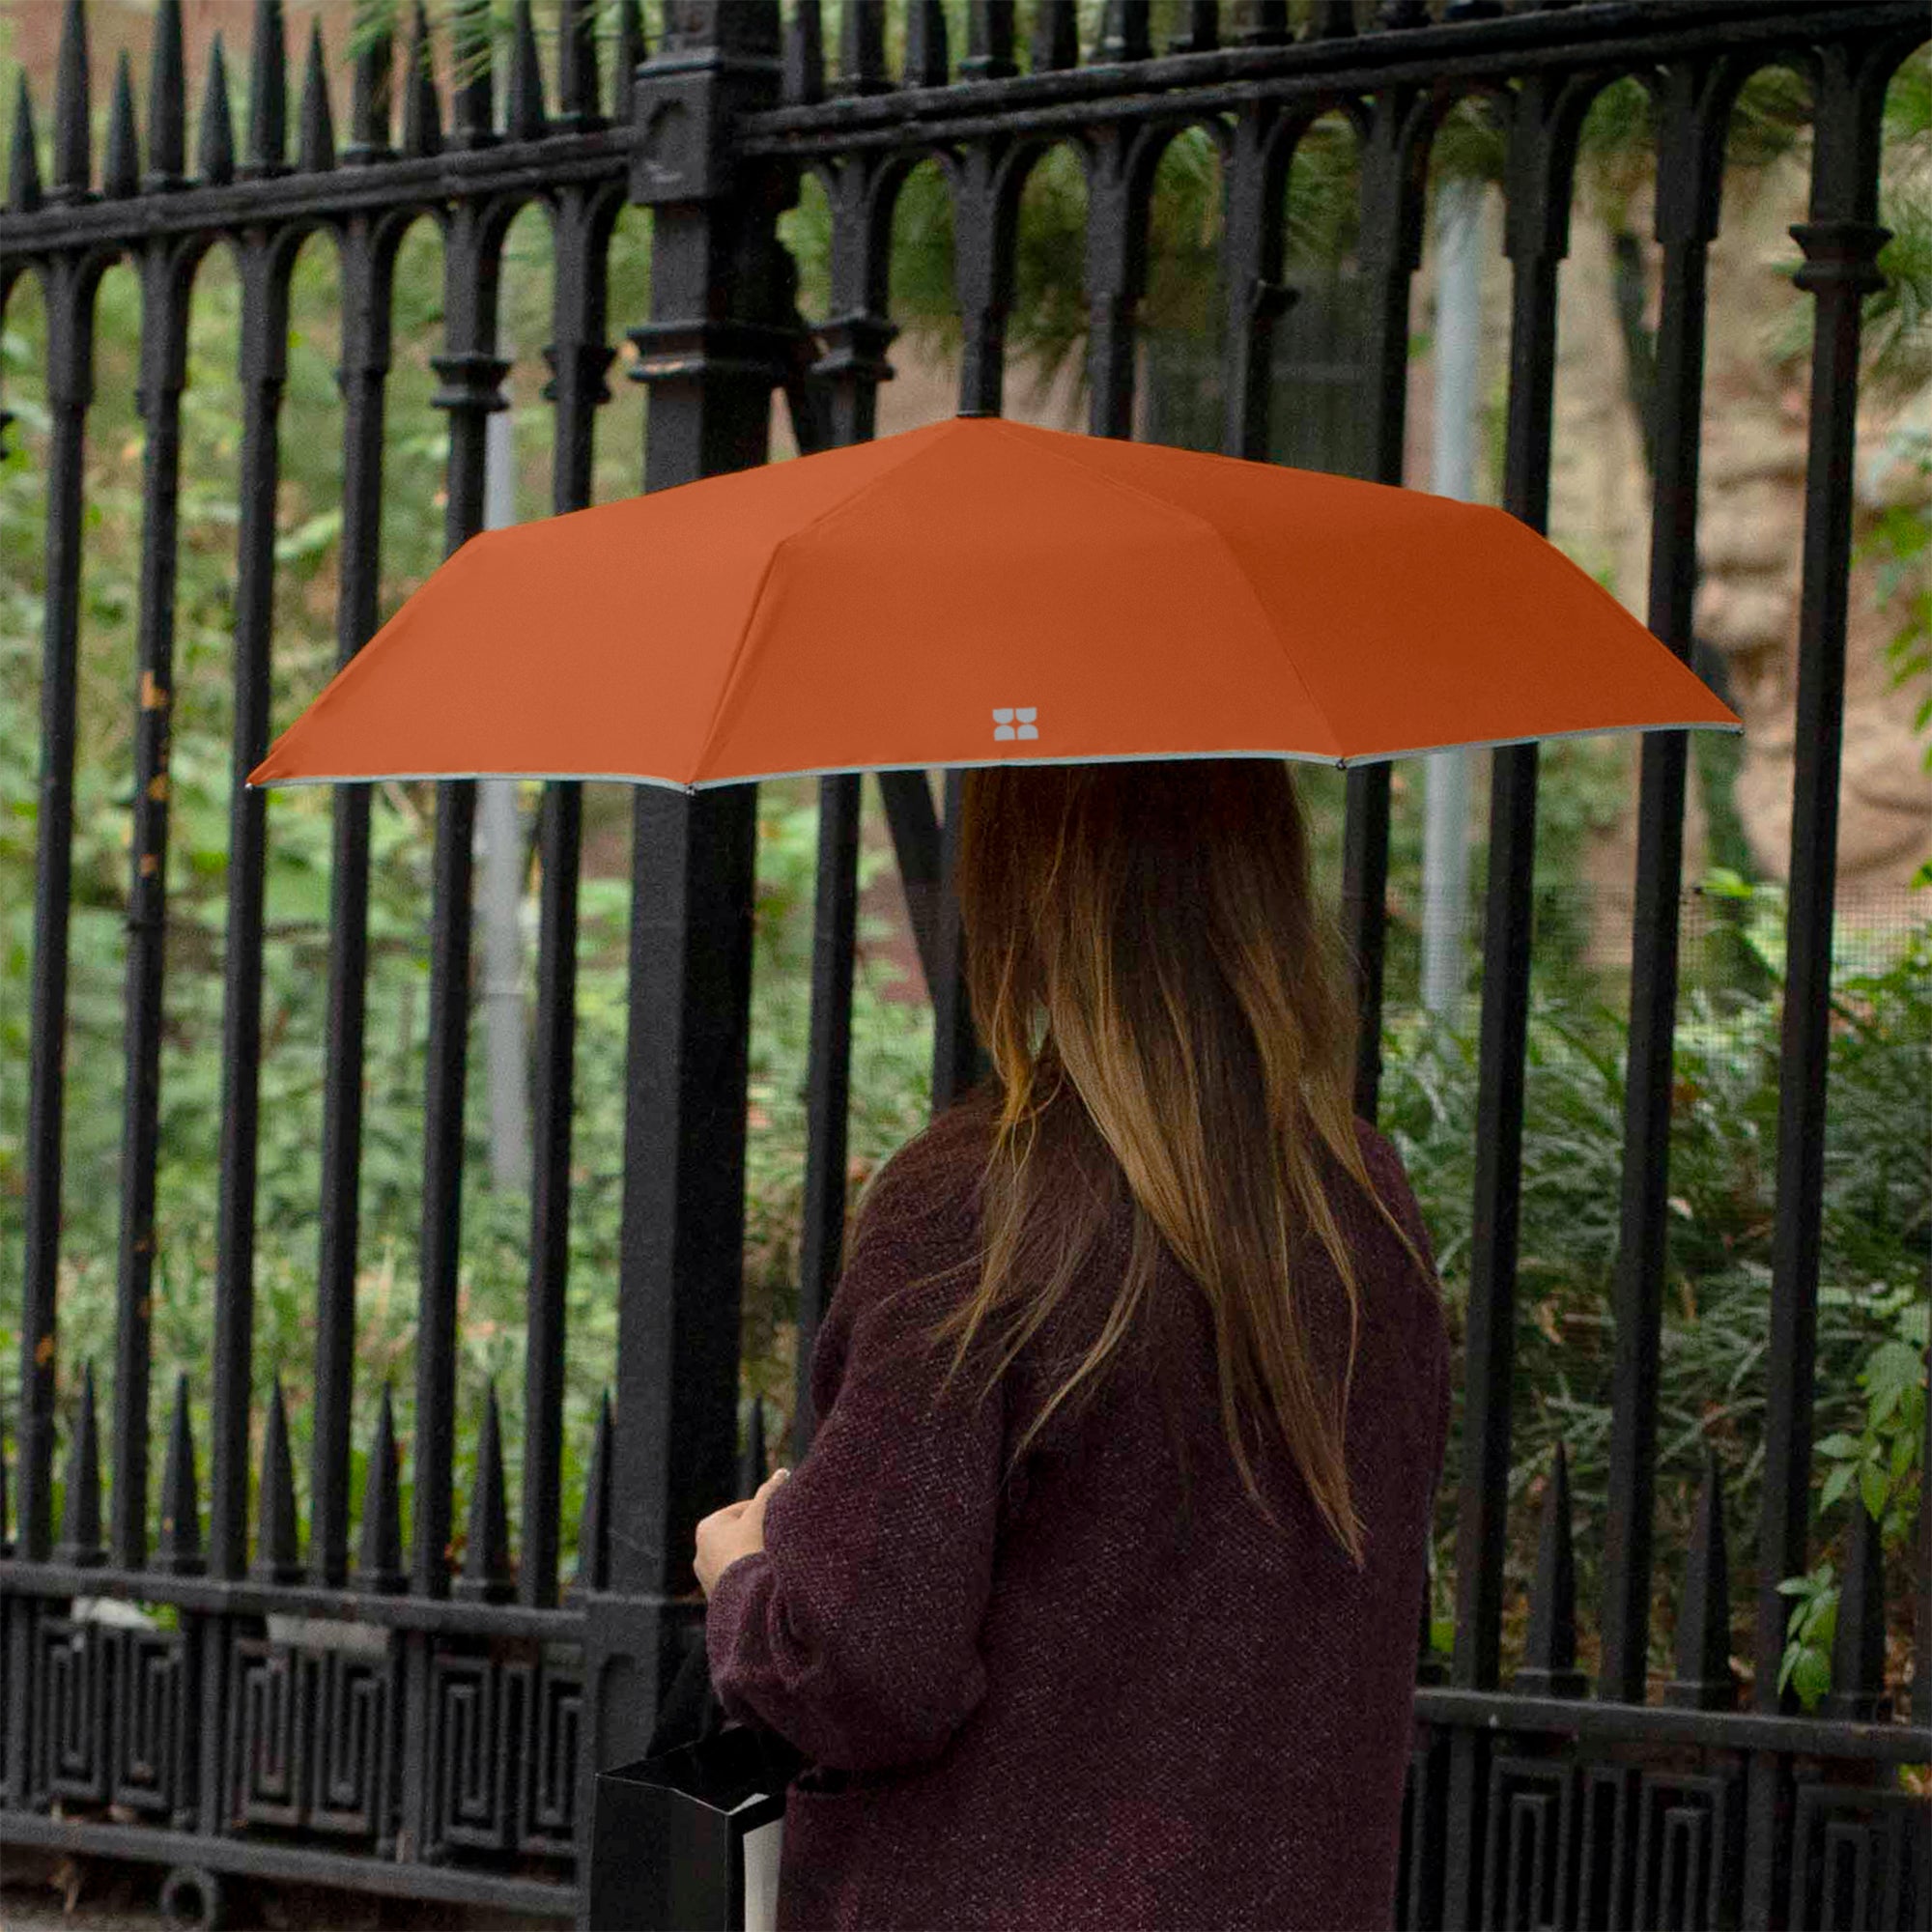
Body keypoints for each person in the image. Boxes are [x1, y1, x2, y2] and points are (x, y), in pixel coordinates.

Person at [696, 757, 1451, 1932]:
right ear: (1263, 864)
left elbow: (861, 1668)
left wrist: (745, 1576)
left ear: (1017, 879)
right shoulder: (1356, 1201)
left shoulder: (978, 1209)